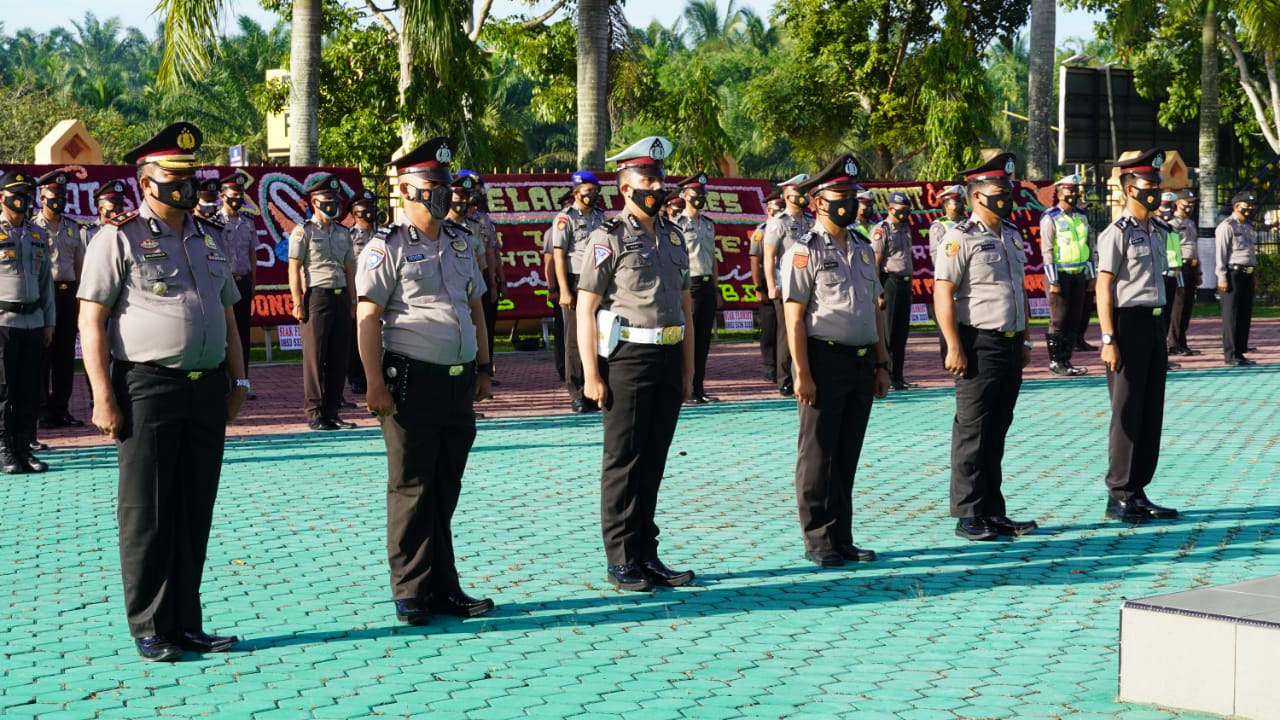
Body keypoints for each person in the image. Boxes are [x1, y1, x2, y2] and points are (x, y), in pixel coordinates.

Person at [78, 122, 248, 661]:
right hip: (148, 387)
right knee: (148, 510)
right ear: (146, 182)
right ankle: (151, 624)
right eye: (175, 177)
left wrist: (239, 378)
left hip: (205, 389)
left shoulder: (209, 235)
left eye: (191, 176)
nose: (187, 185)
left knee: (194, 507)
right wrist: (102, 396)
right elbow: (91, 321)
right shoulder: (118, 237)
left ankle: (186, 621)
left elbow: (228, 314)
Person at [355, 136, 495, 625]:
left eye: (445, 183)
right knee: (412, 486)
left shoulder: (460, 241)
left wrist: (483, 367)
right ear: (405, 189)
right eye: (432, 183)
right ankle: (411, 590)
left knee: (445, 486)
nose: (443, 191)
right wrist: (374, 383)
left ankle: (444, 586)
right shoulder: (385, 247)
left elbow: (476, 307)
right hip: (411, 379)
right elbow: (368, 316)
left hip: (458, 381)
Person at [577, 135, 696, 592]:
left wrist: (687, 371)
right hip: (627, 358)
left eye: (659, 177)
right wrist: (590, 373)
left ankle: (647, 553)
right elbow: (585, 309)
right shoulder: (606, 238)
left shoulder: (672, 234)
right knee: (624, 461)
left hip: (668, 354)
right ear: (625, 187)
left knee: (654, 460)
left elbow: (685, 306)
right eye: (646, 178)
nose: (656, 185)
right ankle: (621, 559)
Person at [779, 155, 890, 567]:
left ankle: (842, 536)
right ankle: (818, 539)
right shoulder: (802, 252)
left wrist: (881, 363)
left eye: (852, 196)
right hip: (822, 361)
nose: (848, 203)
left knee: (847, 453)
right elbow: (793, 317)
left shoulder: (862, 247)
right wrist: (802, 373)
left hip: (861, 363)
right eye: (840, 196)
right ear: (818, 201)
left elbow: (875, 307)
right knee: (818, 453)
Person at [934, 152, 1038, 542]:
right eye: (999, 192)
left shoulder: (1010, 234)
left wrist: (1026, 336)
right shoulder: (959, 237)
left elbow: (1018, 291)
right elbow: (943, 293)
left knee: (998, 429)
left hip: (1009, 343)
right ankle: (968, 514)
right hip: (977, 342)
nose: (1006, 198)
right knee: (973, 430)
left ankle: (993, 511)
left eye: (1008, 191)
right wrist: (953, 345)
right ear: (977, 196)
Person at [1096, 149, 1179, 523]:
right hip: (1126, 324)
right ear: (1129, 189)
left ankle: (1139, 488)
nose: (1156, 192)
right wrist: (1109, 338)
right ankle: (1119, 493)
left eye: (1157, 185)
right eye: (1149, 186)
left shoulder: (1160, 231)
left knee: (1150, 409)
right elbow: (1103, 287)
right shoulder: (1117, 233)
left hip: (1154, 323)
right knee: (1127, 410)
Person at [289, 173, 356, 430]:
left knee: (339, 357)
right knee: (315, 359)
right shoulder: (302, 231)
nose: (333, 204)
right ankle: (315, 413)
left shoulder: (342, 232)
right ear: (315, 202)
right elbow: (294, 268)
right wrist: (297, 301)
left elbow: (349, 267)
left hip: (341, 297)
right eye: (327, 200)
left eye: (335, 200)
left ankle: (332, 411)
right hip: (317, 297)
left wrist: (352, 300)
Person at [0, 170, 54, 474]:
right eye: (15, 194)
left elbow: (46, 281)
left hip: (33, 321)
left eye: (25, 194)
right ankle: (4, 448)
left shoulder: (37, 234)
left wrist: (50, 321)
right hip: (3, 322)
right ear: (2, 197)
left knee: (29, 390)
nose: (21, 200)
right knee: (3, 390)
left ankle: (22, 446)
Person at [32, 170, 85, 430]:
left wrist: (80, 298)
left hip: (67, 294)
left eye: (62, 195)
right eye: (54, 195)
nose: (59, 200)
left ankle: (60, 409)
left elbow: (80, 265)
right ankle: (42, 411)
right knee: (42, 355)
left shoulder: (73, 228)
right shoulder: (33, 227)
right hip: (43, 294)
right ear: (42, 197)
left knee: (64, 357)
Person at [551, 171, 606, 412]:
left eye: (595, 191)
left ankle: (596, 388)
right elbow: (558, 255)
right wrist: (564, 289)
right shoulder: (565, 218)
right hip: (574, 281)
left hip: (598, 280)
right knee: (574, 340)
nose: (592, 196)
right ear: (575, 193)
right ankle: (576, 392)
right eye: (587, 192)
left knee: (599, 337)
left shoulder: (602, 217)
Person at [1039, 174, 1095, 377]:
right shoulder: (1051, 217)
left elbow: (1089, 246)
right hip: (1059, 275)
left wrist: (1091, 276)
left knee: (1074, 318)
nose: (1073, 194)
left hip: (1079, 274)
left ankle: (1067, 359)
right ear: (1060, 193)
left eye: (1075, 190)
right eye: (1069, 191)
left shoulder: (1081, 216)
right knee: (1059, 319)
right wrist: (1053, 280)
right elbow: (1046, 250)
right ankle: (1056, 361)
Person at [762, 173, 812, 397]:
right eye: (798, 193)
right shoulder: (778, 223)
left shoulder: (809, 222)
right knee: (787, 332)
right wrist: (772, 286)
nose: (803, 197)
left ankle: (803, 373)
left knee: (807, 330)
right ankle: (785, 379)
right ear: (787, 195)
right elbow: (769, 257)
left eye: (804, 193)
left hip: (809, 284)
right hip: (787, 286)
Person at [674, 171, 720, 403]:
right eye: (695, 194)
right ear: (684, 195)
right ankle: (687, 388)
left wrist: (716, 287)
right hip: (688, 286)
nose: (700, 198)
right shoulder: (676, 224)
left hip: (706, 285)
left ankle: (699, 388)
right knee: (688, 340)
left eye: (703, 194)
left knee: (703, 340)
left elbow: (712, 257)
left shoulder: (708, 224)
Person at [216, 172, 257, 395]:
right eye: (233, 195)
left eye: (240, 195)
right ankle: (224, 383)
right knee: (224, 334)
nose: (237, 199)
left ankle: (243, 382)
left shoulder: (248, 222)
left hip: (243, 282)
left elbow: (252, 253)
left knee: (243, 334)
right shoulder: (214, 222)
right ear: (222, 196)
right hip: (224, 283)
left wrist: (253, 283)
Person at [871, 191, 917, 390]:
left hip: (904, 283)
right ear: (890, 209)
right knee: (888, 332)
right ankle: (887, 375)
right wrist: (878, 293)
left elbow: (907, 259)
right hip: (889, 282)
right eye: (901, 210)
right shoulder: (882, 230)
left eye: (907, 210)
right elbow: (876, 263)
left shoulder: (906, 228)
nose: (904, 214)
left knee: (901, 333)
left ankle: (898, 376)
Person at [1216, 191, 1259, 367]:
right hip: (1232, 274)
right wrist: (1222, 276)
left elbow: (1250, 252)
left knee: (1244, 314)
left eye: (1251, 206)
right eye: (1246, 206)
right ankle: (1231, 354)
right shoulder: (1227, 226)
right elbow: (1221, 254)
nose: (1249, 209)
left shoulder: (1248, 226)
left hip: (1247, 274)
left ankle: (1240, 351)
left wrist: (1253, 274)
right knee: (1231, 315)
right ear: (1236, 206)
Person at [749, 190, 785, 382]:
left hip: (784, 282)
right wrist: (758, 288)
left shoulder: (787, 227)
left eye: (782, 209)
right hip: (766, 282)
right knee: (770, 327)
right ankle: (770, 365)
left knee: (785, 328)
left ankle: (783, 366)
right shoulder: (761, 232)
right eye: (775, 210)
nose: (779, 213)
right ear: (768, 210)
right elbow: (755, 261)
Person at [928, 185, 966, 361]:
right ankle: (948, 357)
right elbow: (936, 255)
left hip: (967, 279)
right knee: (948, 318)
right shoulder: (939, 226)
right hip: (949, 277)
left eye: (961, 201)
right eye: (956, 201)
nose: (960, 204)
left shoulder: (968, 222)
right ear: (945, 204)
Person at [346, 189, 379, 394]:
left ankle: (376, 375)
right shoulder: (348, 236)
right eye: (365, 208)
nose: (370, 212)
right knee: (356, 336)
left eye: (371, 207)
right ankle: (357, 377)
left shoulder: (382, 234)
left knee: (380, 335)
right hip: (358, 291)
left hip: (380, 290)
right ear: (355, 212)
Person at [543, 193, 575, 383]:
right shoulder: (554, 229)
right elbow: (549, 261)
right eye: (569, 203)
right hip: (563, 285)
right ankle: (564, 369)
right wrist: (553, 288)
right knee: (564, 330)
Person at [1167, 189, 1201, 356]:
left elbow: (1194, 247)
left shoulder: (1191, 223)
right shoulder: (1172, 222)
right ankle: (1173, 343)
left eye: (1192, 202)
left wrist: (1199, 271)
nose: (1190, 205)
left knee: (1187, 306)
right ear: (1178, 202)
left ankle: (1182, 341)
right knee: (1178, 306)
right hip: (1179, 267)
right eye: (1187, 202)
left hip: (1191, 267)